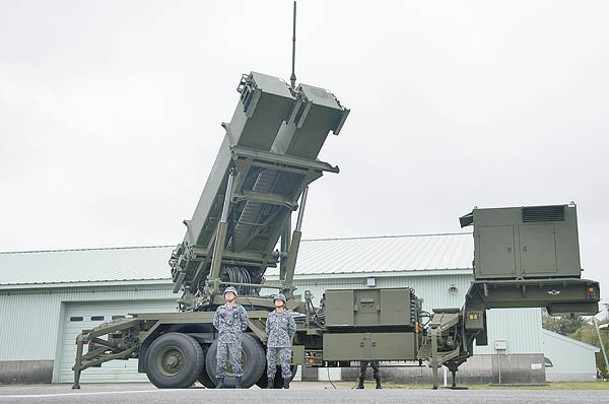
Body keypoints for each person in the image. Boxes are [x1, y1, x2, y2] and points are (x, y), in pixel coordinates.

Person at [212, 286, 249, 389]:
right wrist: (223, 330)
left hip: (235, 339)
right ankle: (220, 383)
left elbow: (245, 322)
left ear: (235, 295)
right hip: (223, 339)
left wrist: (236, 331)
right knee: (220, 360)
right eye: (226, 294)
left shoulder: (240, 309)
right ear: (224, 296)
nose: (228, 295)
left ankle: (238, 383)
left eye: (230, 293)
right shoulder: (220, 309)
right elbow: (215, 322)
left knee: (236, 360)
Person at [265, 293, 297, 389]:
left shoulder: (288, 315)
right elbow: (267, 329)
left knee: (285, 364)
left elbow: (292, 328)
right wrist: (272, 337)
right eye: (276, 300)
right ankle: (270, 383)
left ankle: (286, 384)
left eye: (280, 300)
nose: (278, 302)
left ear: (283, 303)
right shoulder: (270, 316)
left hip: (284, 344)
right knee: (271, 364)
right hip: (272, 343)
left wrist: (286, 337)